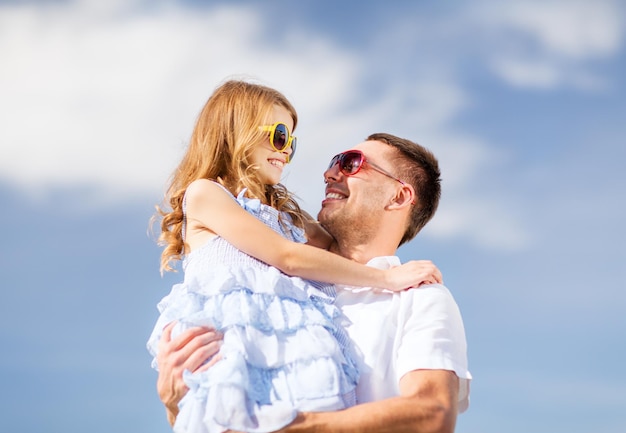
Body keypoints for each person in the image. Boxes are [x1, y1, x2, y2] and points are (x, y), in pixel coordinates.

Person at [146, 81, 443, 433]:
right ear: (235, 131)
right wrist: (386, 279)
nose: (285, 151)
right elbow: (287, 256)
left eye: (291, 143)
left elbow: (340, 245)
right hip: (233, 342)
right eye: (279, 135)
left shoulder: (285, 215)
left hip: (285, 348)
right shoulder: (205, 194)